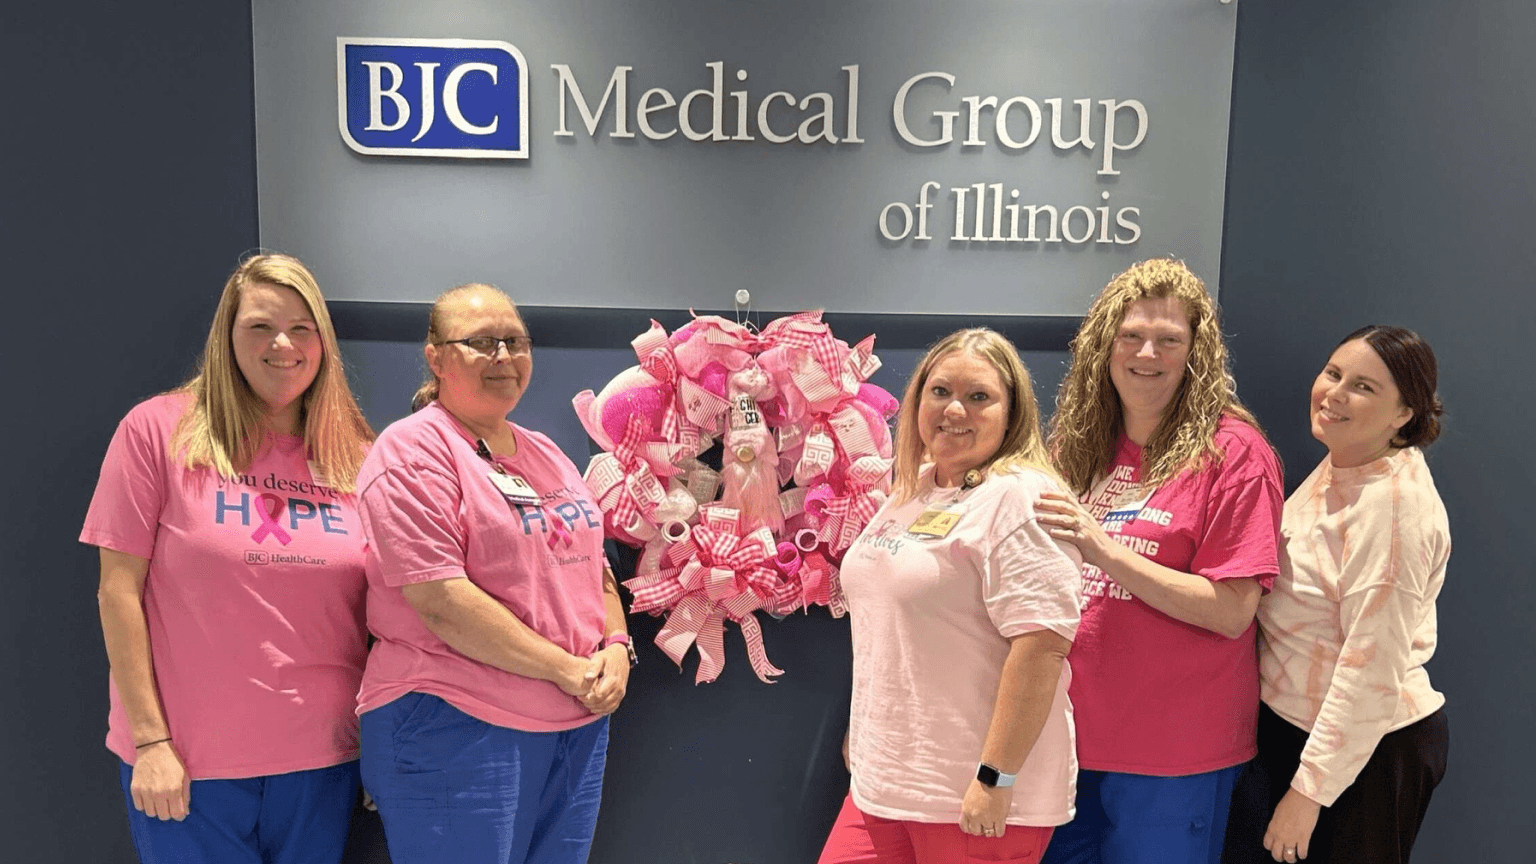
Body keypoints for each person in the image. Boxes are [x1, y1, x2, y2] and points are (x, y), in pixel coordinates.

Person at [81, 253, 375, 864]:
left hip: (324, 762)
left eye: (302, 327)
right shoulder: (158, 431)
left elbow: (385, 613)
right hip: (189, 768)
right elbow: (117, 593)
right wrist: (151, 741)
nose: (283, 345)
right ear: (227, 337)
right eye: (260, 327)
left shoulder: (356, 455)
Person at [355, 283, 632, 864]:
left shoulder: (545, 451)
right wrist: (568, 670)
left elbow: (595, 567)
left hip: (575, 720)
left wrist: (614, 644)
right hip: (455, 719)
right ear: (436, 358)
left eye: (515, 341)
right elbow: (440, 599)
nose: (503, 356)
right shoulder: (411, 451)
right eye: (480, 343)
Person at [1035, 258, 1284, 864]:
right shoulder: (1074, 445)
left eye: (1170, 340)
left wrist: (1102, 548)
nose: (1148, 353)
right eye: (1132, 336)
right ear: (1105, 346)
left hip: (1172, 755)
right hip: (1062, 739)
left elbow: (1231, 612)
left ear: (1196, 354)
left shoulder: (1234, 454)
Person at [817, 328, 1085, 864]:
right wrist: (867, 734)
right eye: (939, 391)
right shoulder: (914, 489)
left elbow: (1041, 649)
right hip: (886, 785)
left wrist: (995, 777)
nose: (954, 409)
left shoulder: (1019, 496)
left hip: (976, 797)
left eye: (979, 396)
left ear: (1011, 414)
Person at [1255, 326, 1450, 864]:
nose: (1335, 393)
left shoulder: (1394, 509)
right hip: (1300, 733)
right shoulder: (1346, 460)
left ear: (1404, 414)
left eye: (1363, 387)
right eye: (1333, 373)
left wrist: (1308, 794)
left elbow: (1371, 669)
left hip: (1363, 755)